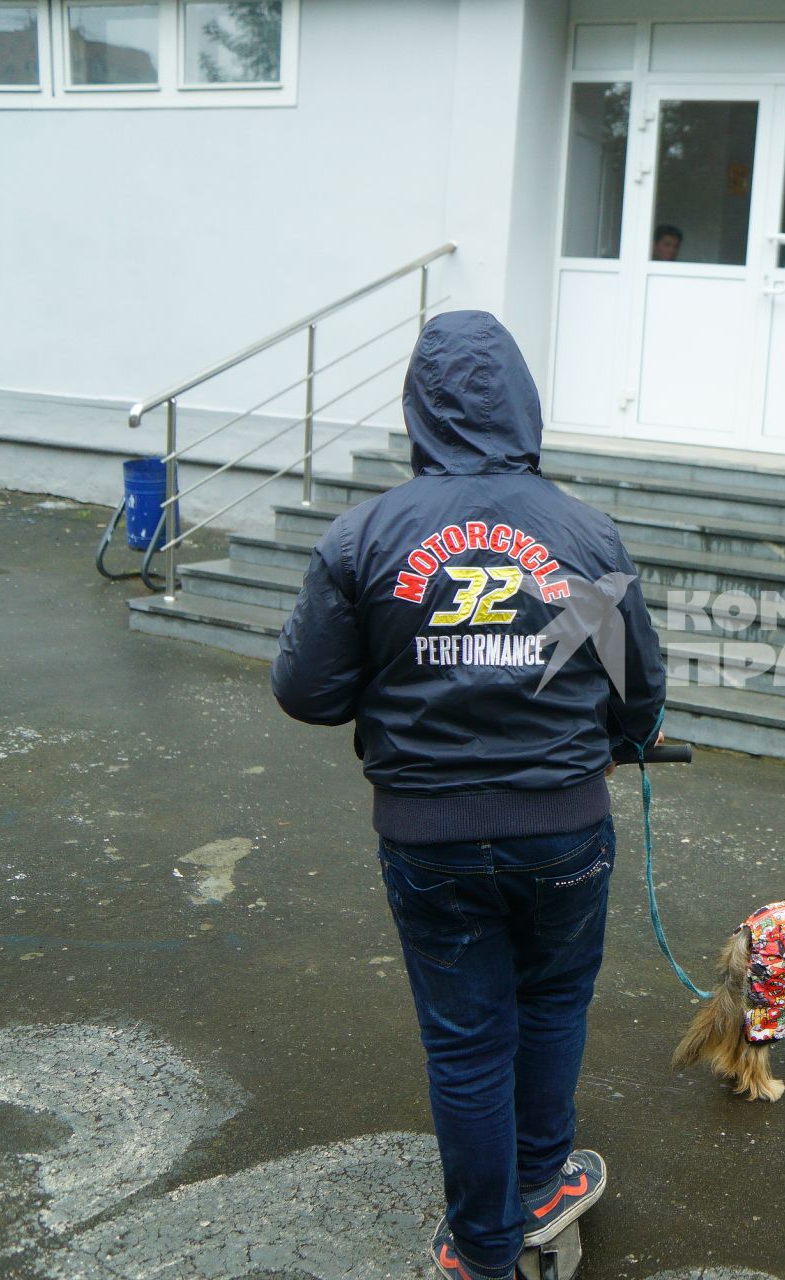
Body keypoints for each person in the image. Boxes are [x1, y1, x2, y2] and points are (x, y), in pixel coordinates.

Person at [271, 310, 667, 1280]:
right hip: (562, 826)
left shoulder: (365, 534)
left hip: (430, 833)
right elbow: (638, 688)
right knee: (553, 1000)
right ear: (522, 401)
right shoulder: (579, 529)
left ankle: (482, 1249)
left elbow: (306, 690)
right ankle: (541, 1178)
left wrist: (395, 672)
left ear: (418, 406)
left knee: (466, 1036)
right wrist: (618, 742)